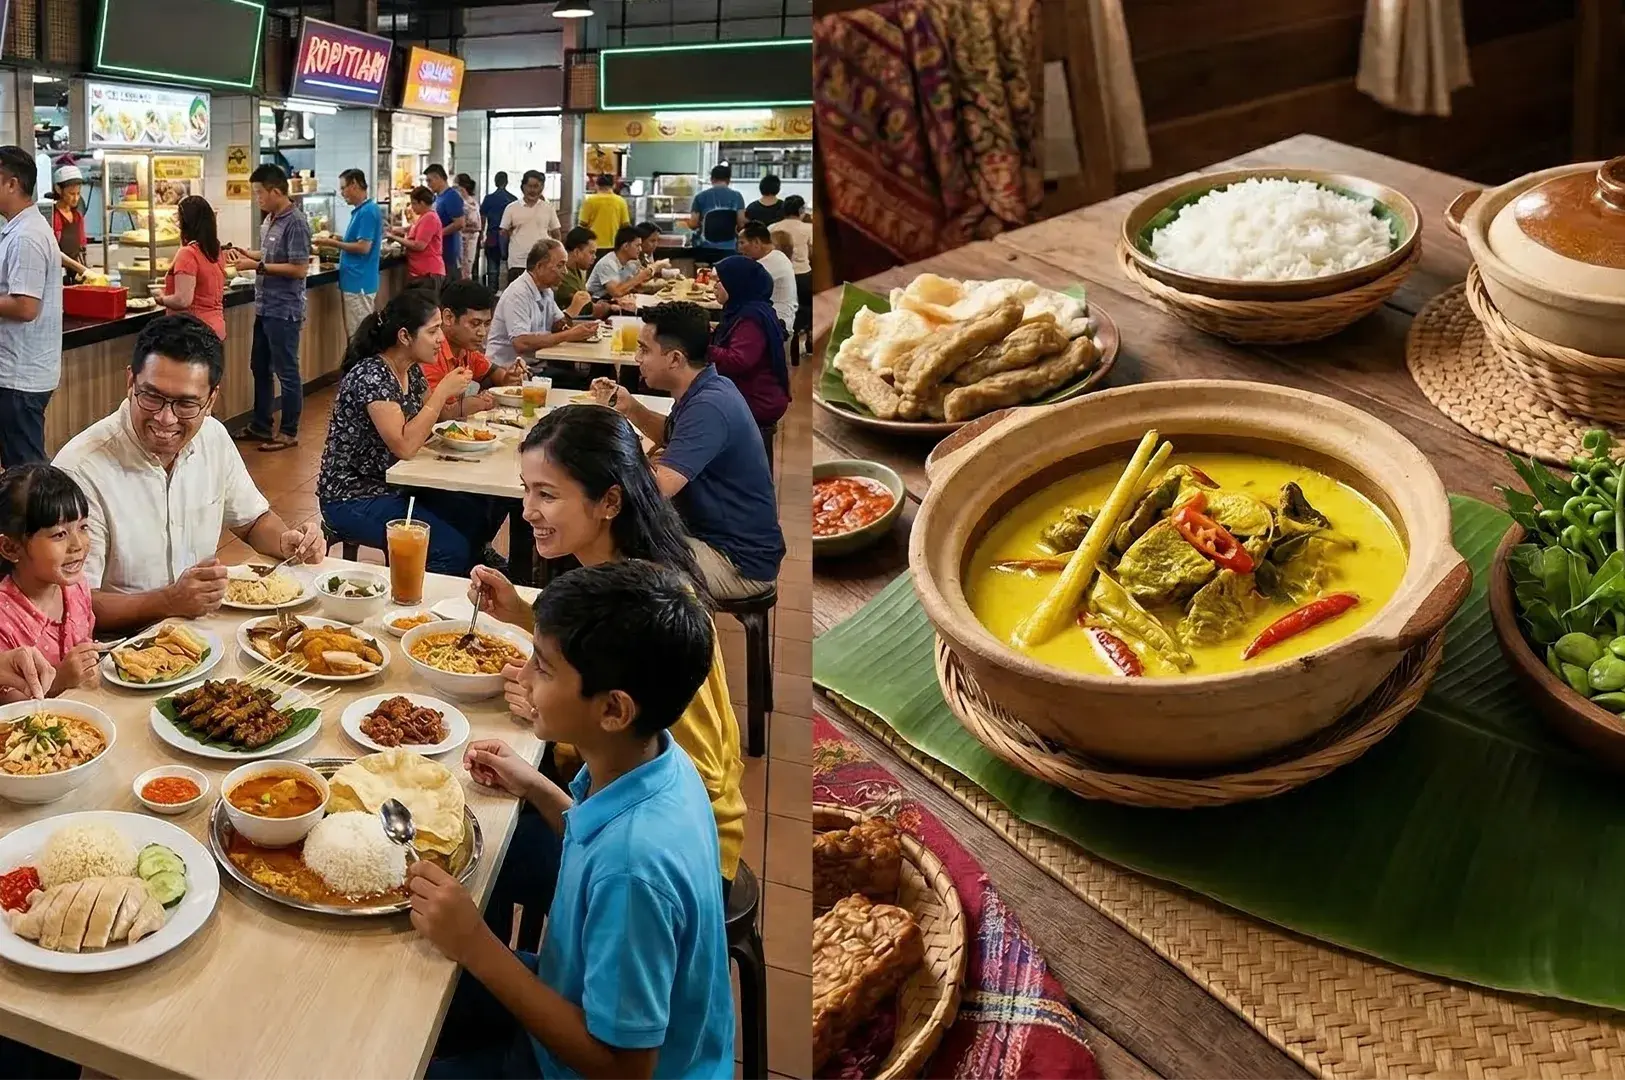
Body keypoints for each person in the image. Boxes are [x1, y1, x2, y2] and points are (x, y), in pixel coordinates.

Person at [415, 560, 734, 1080]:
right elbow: (599, 836)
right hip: (574, 991)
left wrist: (475, 941)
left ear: (613, 710)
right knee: (426, 980)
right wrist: (537, 786)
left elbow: (623, 1068)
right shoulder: (658, 760)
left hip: (580, 1064)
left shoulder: (634, 869)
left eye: (541, 667)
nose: (518, 675)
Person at [470, 406, 747, 904]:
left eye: (547, 494)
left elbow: (698, 776)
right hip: (604, 807)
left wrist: (552, 713)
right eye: (526, 489)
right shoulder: (617, 577)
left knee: (481, 853)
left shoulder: (658, 607)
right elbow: (603, 648)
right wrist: (521, 614)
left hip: (683, 858)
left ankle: (499, 976)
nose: (528, 510)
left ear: (609, 502)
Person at [53, 315, 324, 632]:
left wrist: (285, 541)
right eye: (151, 396)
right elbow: (72, 603)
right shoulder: (80, 469)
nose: (166, 419)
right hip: (114, 651)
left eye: (186, 404)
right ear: (130, 383)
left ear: (211, 400)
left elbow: (252, 521)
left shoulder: (213, 437)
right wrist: (168, 602)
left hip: (201, 634)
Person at [590, 302, 783, 601]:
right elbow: (673, 433)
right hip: (714, 540)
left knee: (609, 552)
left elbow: (655, 490)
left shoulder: (709, 407)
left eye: (644, 349)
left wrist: (609, 443)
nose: (637, 358)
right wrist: (629, 407)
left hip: (736, 561)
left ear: (675, 359)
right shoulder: (708, 386)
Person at [318, 291, 505, 575]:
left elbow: (437, 419)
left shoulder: (411, 370)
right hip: (352, 496)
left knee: (476, 514)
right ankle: (419, 606)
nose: (441, 339)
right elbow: (405, 446)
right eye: (433, 331)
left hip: (393, 484)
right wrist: (442, 391)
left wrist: (471, 403)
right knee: (449, 548)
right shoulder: (373, 376)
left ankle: (468, 579)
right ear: (405, 336)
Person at [229, 163, 311, 453]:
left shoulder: (296, 222)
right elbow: (268, 254)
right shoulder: (270, 220)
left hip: (284, 309)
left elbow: (300, 268)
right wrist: (247, 254)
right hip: (264, 307)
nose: (257, 198)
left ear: (276, 191)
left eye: (260, 193)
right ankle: (261, 424)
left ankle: (289, 431)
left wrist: (257, 266)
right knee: (259, 367)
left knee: (287, 372)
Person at [0, 463, 98, 698]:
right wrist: (59, 680)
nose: (78, 545)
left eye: (83, 527)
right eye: (59, 534)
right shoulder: (4, 619)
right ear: (10, 547)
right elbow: (11, 709)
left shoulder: (77, 587)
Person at [0, 147, 64, 468]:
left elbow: (26, 307)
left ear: (12, 184)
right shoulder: (23, 229)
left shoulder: (26, 236)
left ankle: (44, 518)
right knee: (21, 463)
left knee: (26, 469)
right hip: (22, 372)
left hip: (20, 376)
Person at [706, 256, 790, 466]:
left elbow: (738, 360)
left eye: (719, 281)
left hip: (758, 401)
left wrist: (702, 348)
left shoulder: (751, 318)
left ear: (737, 283)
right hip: (754, 395)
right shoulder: (744, 309)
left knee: (755, 468)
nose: (714, 286)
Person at [486, 240, 599, 373]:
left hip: (536, 366)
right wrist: (569, 334)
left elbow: (557, 326)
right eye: (560, 266)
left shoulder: (546, 290)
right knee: (580, 385)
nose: (565, 272)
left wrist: (581, 329)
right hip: (509, 371)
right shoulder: (518, 293)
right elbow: (521, 343)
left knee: (587, 377)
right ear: (539, 267)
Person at [423, 278, 522, 416]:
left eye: (487, 324)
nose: (482, 333)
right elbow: (434, 413)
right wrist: (467, 406)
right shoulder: (429, 352)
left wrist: (509, 377)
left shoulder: (466, 349)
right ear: (448, 317)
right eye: (475, 323)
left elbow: (495, 373)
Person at [315, 168, 384, 341]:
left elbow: (363, 247)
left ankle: (362, 368)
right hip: (355, 281)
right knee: (355, 333)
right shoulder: (362, 211)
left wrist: (333, 243)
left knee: (359, 336)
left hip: (359, 282)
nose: (342, 192)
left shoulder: (368, 211)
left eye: (344, 187)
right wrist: (337, 238)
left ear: (354, 184)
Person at [157, 196, 227, 340]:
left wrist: (161, 298)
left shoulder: (188, 253)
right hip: (215, 329)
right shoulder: (215, 250)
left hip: (193, 332)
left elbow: (183, 300)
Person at [500, 170, 562, 287]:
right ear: (523, 187)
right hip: (517, 262)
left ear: (542, 188)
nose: (532, 190)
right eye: (529, 186)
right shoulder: (511, 208)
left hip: (542, 262)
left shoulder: (548, 208)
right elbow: (503, 233)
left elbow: (556, 233)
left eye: (536, 186)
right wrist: (504, 254)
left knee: (541, 297)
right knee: (517, 297)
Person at [736, 221, 797, 334]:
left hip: (777, 324)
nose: (739, 249)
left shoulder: (773, 262)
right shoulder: (774, 257)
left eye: (742, 243)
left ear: (756, 242)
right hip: (767, 318)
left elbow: (738, 287)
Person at [771, 194, 813, 351]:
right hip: (802, 274)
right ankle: (806, 335)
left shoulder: (773, 228)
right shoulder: (808, 228)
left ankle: (787, 335)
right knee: (807, 307)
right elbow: (814, 252)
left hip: (780, 276)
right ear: (801, 210)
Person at [390, 186, 446, 294]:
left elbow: (419, 245)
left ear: (423, 203)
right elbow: (413, 228)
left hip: (428, 273)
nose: (412, 207)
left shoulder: (430, 218)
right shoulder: (424, 217)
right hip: (421, 273)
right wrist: (396, 230)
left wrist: (394, 237)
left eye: (414, 203)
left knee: (425, 308)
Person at [585, 225, 659, 302]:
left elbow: (636, 285)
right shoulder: (608, 263)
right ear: (626, 246)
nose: (640, 249)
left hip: (613, 302)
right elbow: (617, 292)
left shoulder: (632, 263)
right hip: (595, 303)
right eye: (637, 245)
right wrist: (646, 273)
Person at [687, 163, 745, 253]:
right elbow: (741, 224)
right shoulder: (737, 196)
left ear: (712, 179)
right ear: (728, 180)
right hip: (729, 249)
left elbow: (694, 224)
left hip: (705, 248)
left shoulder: (700, 197)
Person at [557, 227, 611, 321]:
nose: (594, 257)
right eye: (591, 253)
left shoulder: (576, 270)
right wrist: (608, 307)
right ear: (577, 252)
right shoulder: (562, 275)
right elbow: (587, 308)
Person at [426, 164, 465, 283]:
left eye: (430, 180)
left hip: (449, 252)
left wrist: (438, 234)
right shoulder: (437, 198)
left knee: (450, 288)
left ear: (438, 178)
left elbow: (459, 223)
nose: (428, 184)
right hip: (438, 253)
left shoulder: (452, 197)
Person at [50, 165, 89, 281]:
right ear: (58, 189)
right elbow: (54, 253)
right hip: (57, 275)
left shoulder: (77, 216)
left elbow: (82, 248)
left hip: (75, 274)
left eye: (78, 193)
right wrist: (83, 269)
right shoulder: (53, 216)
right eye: (72, 194)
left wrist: (85, 271)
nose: (76, 198)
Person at [479, 171, 517, 290]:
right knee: (509, 265)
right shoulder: (513, 199)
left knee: (492, 266)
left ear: (495, 182)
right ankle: (507, 291)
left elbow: (483, 218)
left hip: (492, 235)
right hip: (508, 236)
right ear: (506, 182)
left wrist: (481, 235)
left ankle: (492, 292)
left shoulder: (489, 198)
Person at [577, 173, 630, 251]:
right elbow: (625, 225)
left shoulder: (590, 201)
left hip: (592, 245)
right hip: (614, 244)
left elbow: (582, 224)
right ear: (613, 185)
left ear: (597, 185)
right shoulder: (620, 201)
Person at [456, 174, 482, 283]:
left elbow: (476, 225)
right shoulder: (472, 202)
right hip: (467, 239)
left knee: (465, 269)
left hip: (466, 239)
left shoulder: (467, 204)